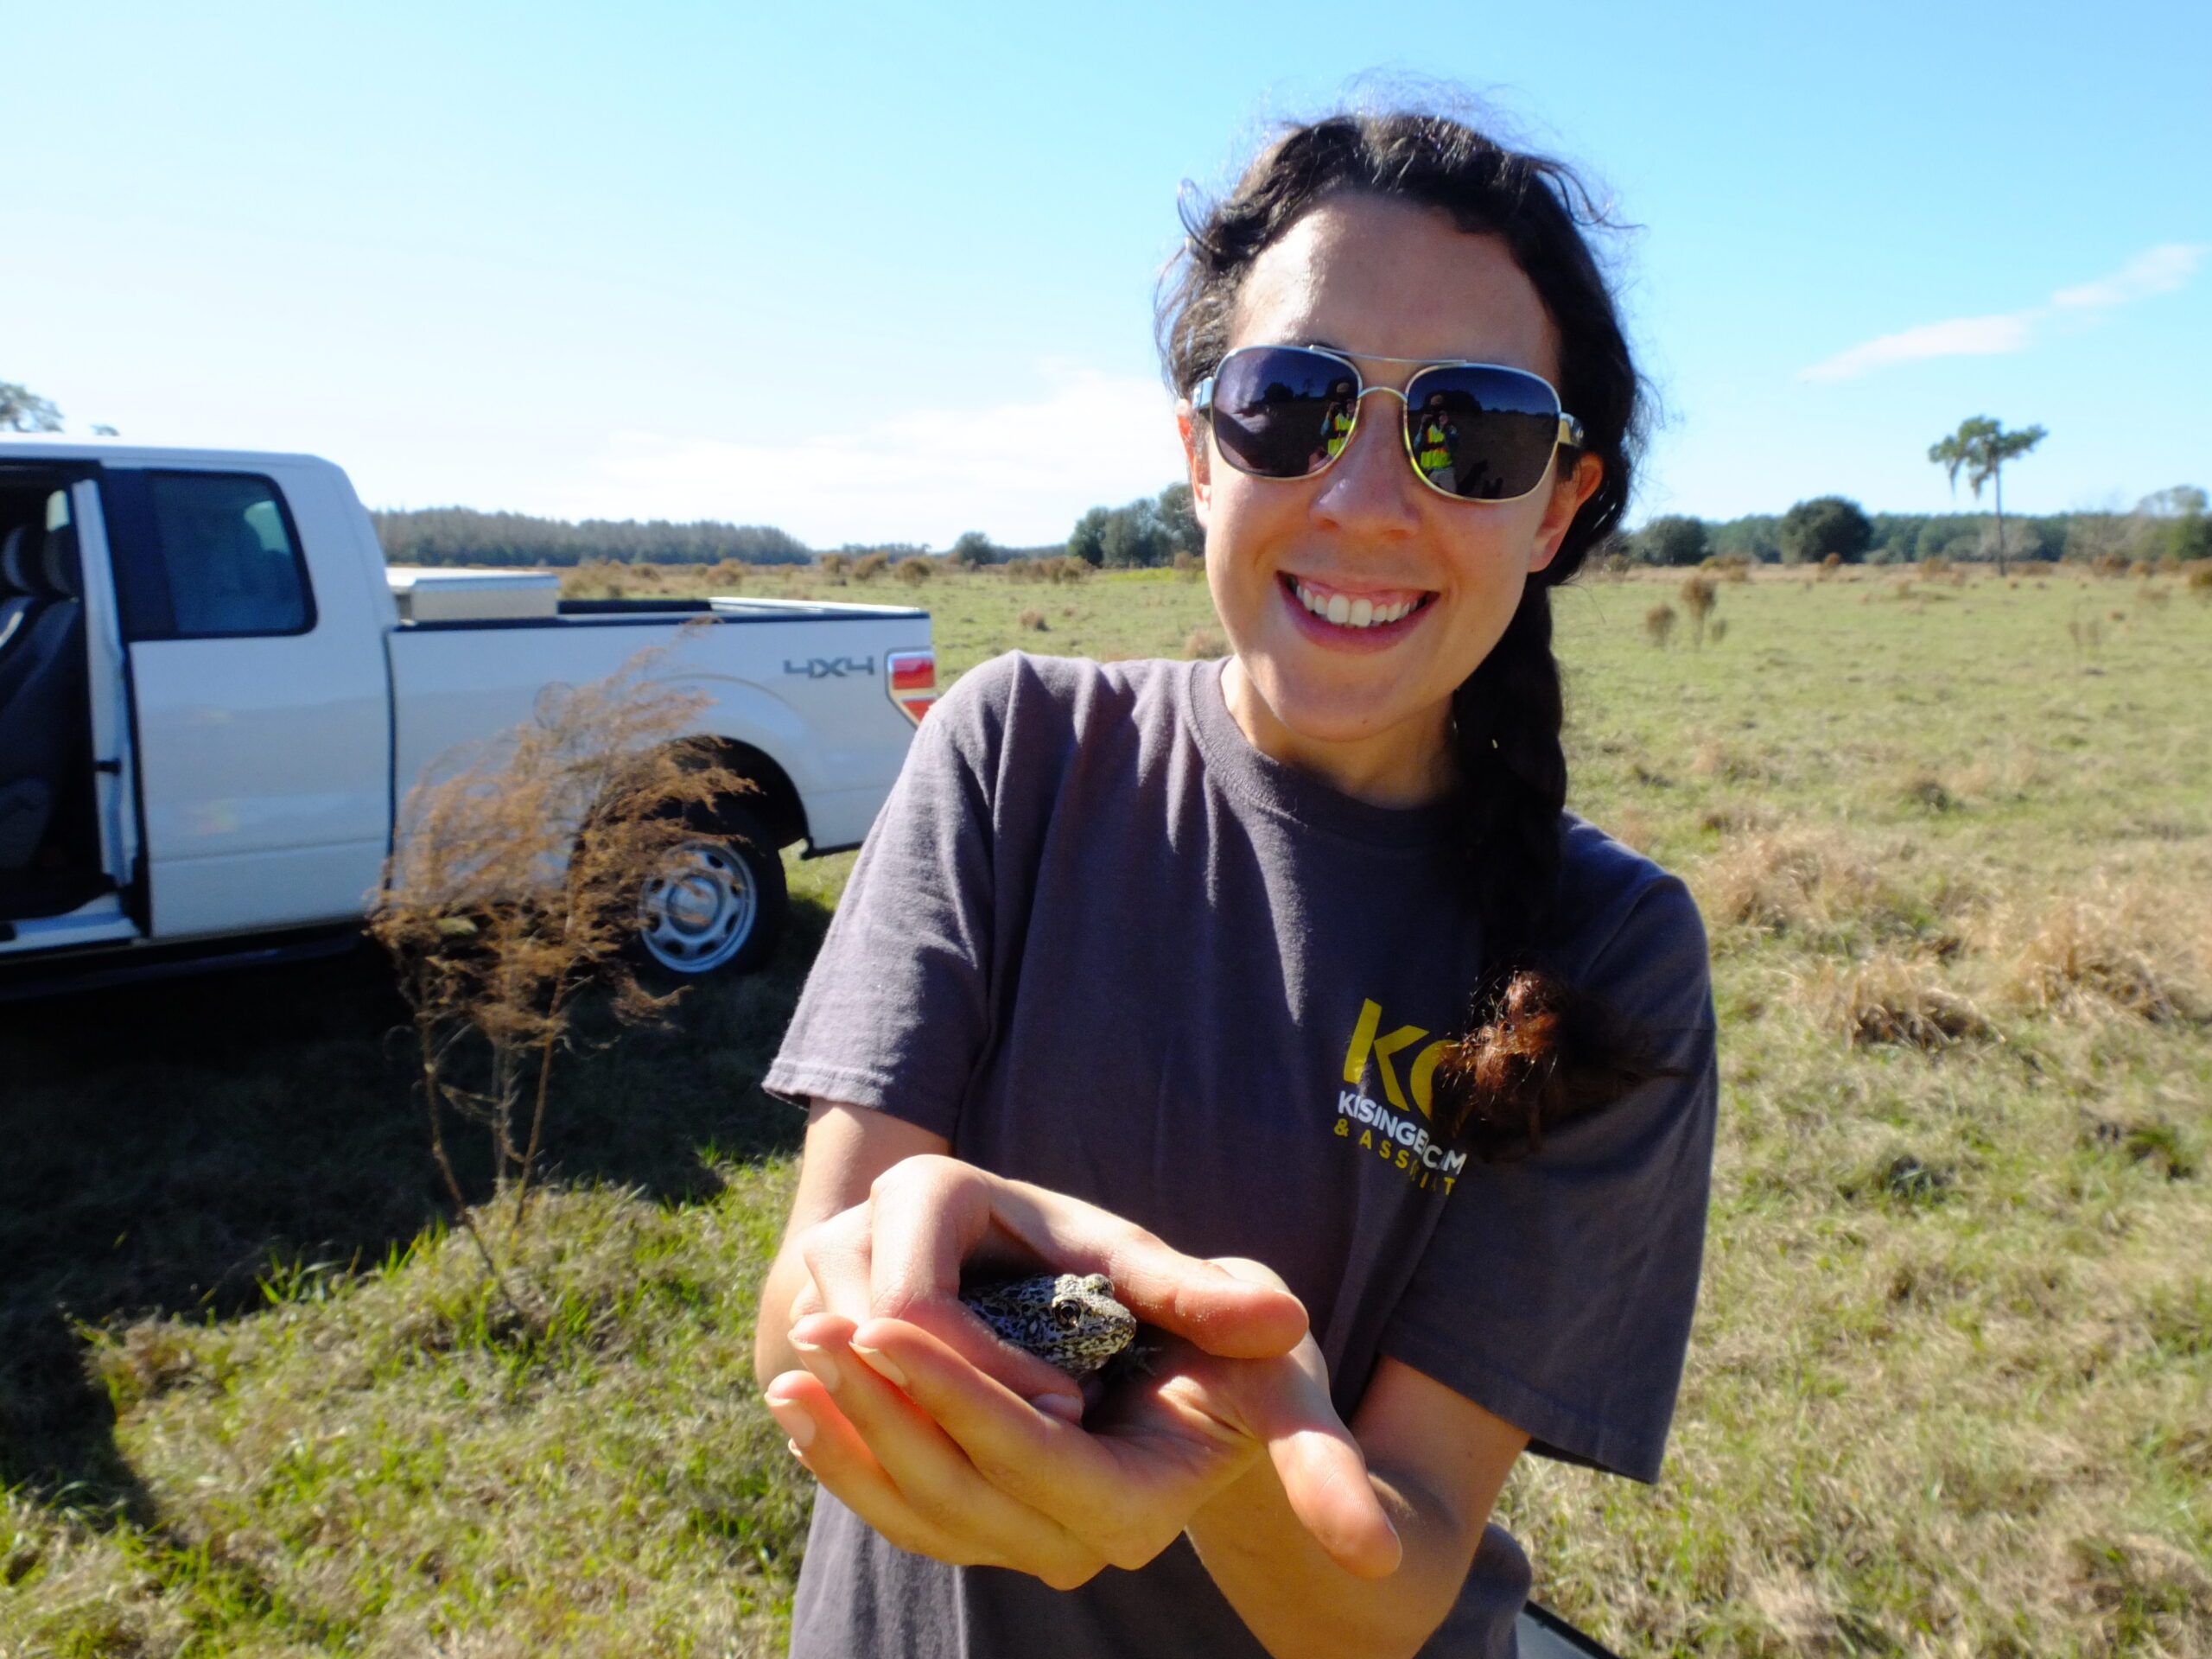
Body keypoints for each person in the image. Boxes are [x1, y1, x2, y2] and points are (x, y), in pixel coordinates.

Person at [753, 107, 1717, 1659]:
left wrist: (1203, 1416)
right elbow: (804, 1320)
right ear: (1201, 455)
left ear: (1554, 506)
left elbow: (1382, 1588)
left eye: (1469, 430)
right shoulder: (1015, 751)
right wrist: (867, 1288)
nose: (1363, 501)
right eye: (1292, 403)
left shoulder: (1613, 952)